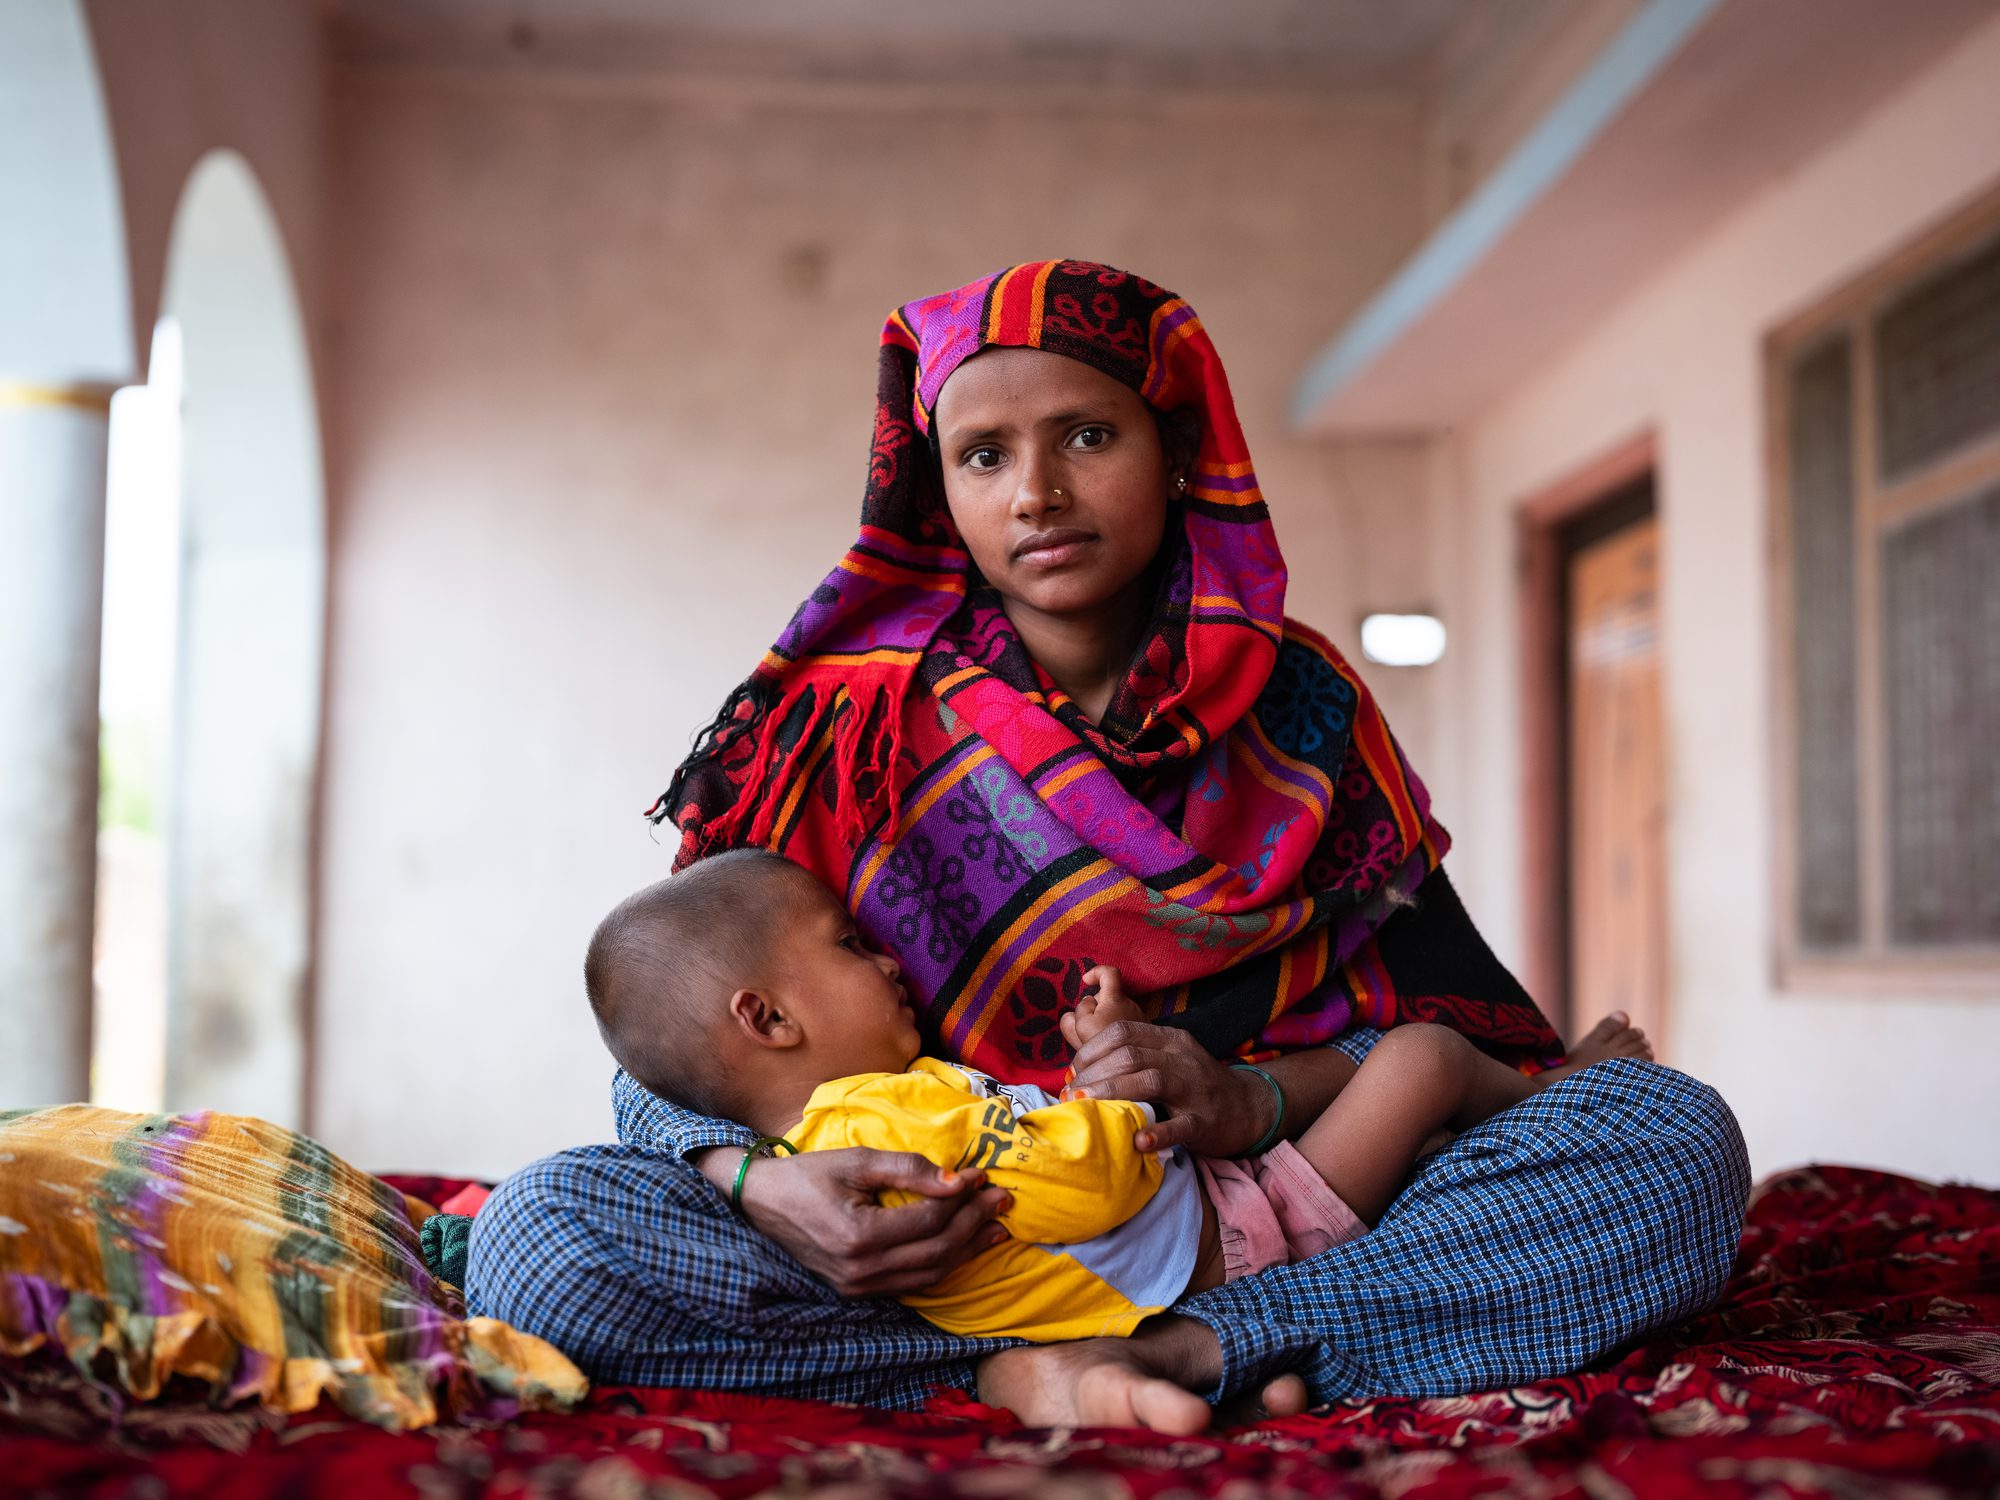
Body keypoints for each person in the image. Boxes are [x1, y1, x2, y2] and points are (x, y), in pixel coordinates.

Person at [468, 260, 1747, 1433]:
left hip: (1275, 1211)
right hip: (913, 1271)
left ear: (1177, 447)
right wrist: (762, 1191)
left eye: (1086, 435)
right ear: (937, 488)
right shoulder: (837, 727)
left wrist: (1245, 1095)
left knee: (1668, 1146)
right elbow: (677, 1047)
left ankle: (1190, 1348)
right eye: (981, 455)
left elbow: (1437, 1026)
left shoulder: (1304, 712)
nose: (1036, 494)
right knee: (540, 1240)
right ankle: (1011, 1366)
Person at [583, 849, 1640, 1344]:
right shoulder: (873, 1123)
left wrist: (1123, 1073)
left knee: (1670, 1137)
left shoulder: (890, 1095)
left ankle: (1216, 1358)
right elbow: (1082, 1186)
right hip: (1235, 1230)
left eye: (1088, 435)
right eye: (852, 945)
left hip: (1200, 1211)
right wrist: (741, 1180)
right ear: (766, 1019)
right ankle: (1560, 1092)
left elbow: (1028, 1151)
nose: (891, 959)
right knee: (1422, 1061)